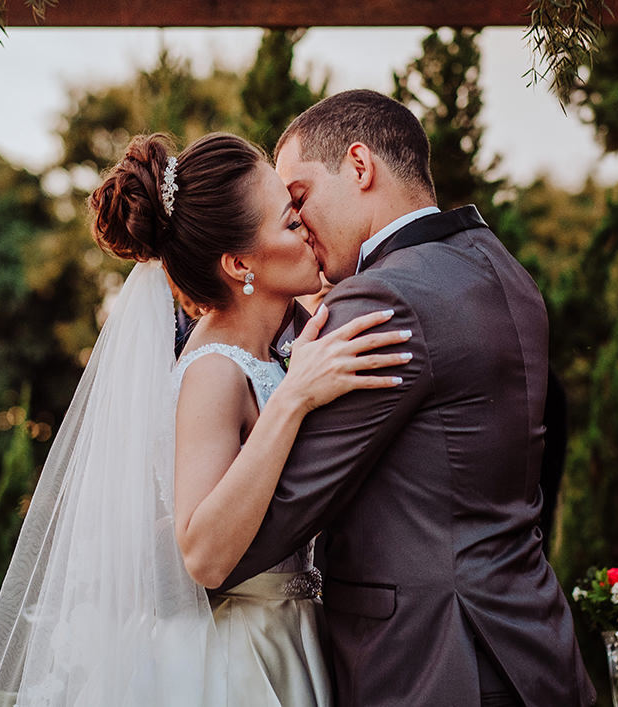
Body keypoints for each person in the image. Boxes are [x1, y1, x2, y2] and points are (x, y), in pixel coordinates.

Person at [0, 132, 411, 706]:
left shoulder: (279, 346)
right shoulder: (213, 371)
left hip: (292, 631)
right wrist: (293, 400)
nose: (307, 229)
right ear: (239, 262)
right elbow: (201, 554)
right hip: (238, 661)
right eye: (290, 223)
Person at [219, 89, 596, 706]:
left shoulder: (383, 299)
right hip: (531, 646)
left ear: (360, 166)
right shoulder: (503, 271)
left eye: (300, 197)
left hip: (433, 664)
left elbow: (279, 513)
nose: (297, 224)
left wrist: (163, 568)